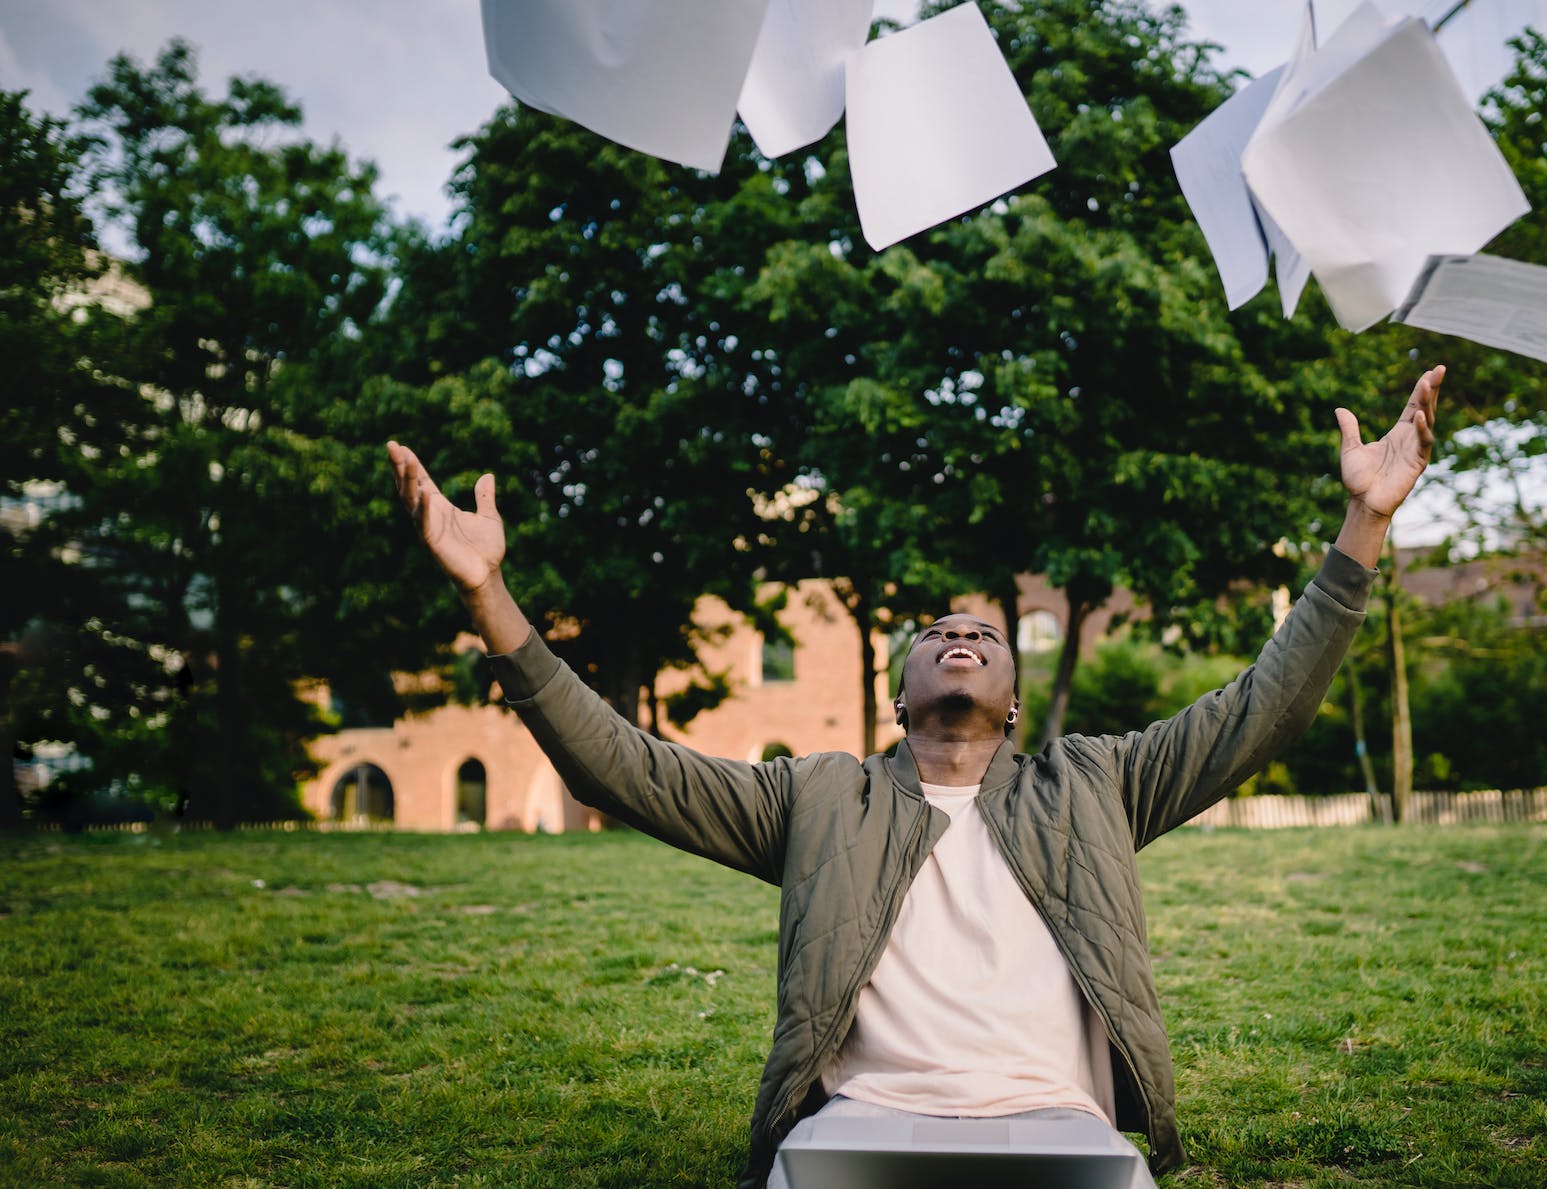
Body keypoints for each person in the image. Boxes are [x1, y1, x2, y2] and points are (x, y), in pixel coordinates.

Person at [386, 364, 1443, 1188]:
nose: (958, 633)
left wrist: (1365, 524)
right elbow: (622, 763)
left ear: (1016, 698)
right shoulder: (815, 796)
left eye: (981, 629)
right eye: (935, 630)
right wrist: (489, 595)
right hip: (854, 1132)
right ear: (897, 696)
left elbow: (1263, 706)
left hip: (1060, 1129)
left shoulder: (1095, 780)